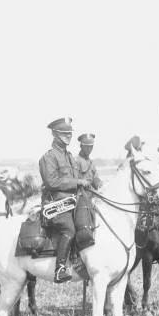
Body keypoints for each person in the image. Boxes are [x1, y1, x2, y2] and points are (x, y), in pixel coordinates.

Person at [40, 117, 91, 283]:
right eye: (63, 133)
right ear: (54, 134)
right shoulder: (48, 157)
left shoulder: (70, 157)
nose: (68, 136)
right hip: (56, 204)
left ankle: (79, 260)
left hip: (73, 202)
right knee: (69, 229)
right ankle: (60, 268)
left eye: (69, 133)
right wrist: (78, 182)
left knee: (88, 223)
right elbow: (52, 182)